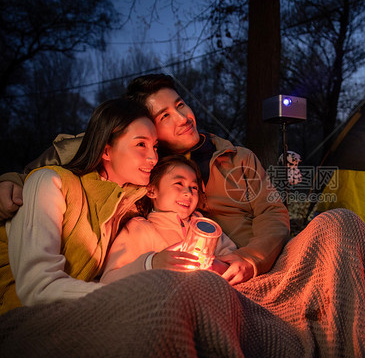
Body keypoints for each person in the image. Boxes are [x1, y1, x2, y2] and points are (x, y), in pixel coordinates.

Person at [0, 73, 290, 285]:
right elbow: (87, 146)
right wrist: (11, 179)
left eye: (180, 105)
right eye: (165, 116)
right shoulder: (149, 164)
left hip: (254, 260)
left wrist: (251, 259)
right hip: (189, 272)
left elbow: (273, 212)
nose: (182, 118)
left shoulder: (238, 157)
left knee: (331, 226)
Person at [0, 98, 168, 314]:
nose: (153, 157)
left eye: (155, 146)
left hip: (63, 317)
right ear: (106, 151)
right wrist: (129, 298)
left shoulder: (122, 210)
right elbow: (37, 287)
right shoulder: (50, 183)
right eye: (140, 144)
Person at [100, 155, 236, 284]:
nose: (188, 193)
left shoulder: (204, 227)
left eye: (194, 187)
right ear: (152, 191)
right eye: (178, 183)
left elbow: (233, 260)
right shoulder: (141, 230)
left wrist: (217, 267)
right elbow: (108, 279)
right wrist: (151, 263)